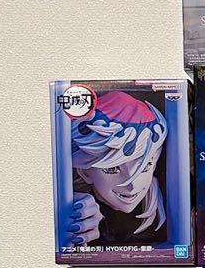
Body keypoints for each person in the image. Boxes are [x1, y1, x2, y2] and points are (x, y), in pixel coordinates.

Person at [67, 90, 168, 247]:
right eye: (113, 168)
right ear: (85, 172)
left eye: (145, 166)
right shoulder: (75, 203)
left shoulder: (172, 195)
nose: (132, 185)